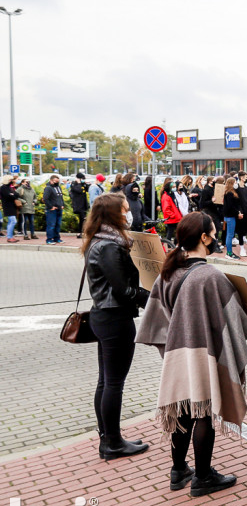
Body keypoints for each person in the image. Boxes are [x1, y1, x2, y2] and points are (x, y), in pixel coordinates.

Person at [136, 212, 247, 496]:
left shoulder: (167, 272)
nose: (215, 238)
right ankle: (203, 477)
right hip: (205, 352)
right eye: (213, 233)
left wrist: (173, 345)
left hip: (177, 354)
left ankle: (178, 472)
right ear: (204, 238)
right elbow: (234, 319)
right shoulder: (210, 276)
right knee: (204, 410)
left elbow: (157, 319)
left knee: (183, 408)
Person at [82, 193, 151, 460]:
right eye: (124, 209)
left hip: (104, 316)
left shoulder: (98, 240)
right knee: (113, 384)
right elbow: (123, 290)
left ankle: (109, 438)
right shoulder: (109, 246)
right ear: (113, 213)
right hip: (114, 318)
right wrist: (153, 299)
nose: (129, 212)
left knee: (106, 381)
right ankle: (112, 442)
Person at [221, 177, 243, 260]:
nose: (236, 183)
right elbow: (231, 206)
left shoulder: (228, 192)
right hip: (230, 217)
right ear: (231, 183)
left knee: (229, 235)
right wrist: (238, 213)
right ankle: (229, 253)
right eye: (235, 182)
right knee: (230, 235)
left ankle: (229, 252)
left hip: (229, 216)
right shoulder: (230, 193)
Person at [43, 174, 67, 244]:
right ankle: (49, 239)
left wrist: (62, 205)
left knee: (58, 225)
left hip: (59, 209)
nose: (56, 182)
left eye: (57, 181)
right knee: (51, 225)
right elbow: (45, 198)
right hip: (51, 210)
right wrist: (51, 207)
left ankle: (57, 238)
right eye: (55, 181)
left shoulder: (58, 187)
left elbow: (60, 197)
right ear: (51, 181)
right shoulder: (48, 188)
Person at [160, 177, 183, 243]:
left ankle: (173, 245)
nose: (175, 188)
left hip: (175, 217)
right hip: (172, 218)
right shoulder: (166, 196)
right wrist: (173, 215)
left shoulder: (172, 195)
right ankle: (168, 246)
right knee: (170, 233)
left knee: (177, 233)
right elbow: (166, 209)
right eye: (173, 187)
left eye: (175, 187)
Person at [1, 175, 20, 243]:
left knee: (11, 222)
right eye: (11, 180)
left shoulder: (9, 187)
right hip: (7, 207)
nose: (12, 181)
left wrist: (12, 194)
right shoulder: (3, 188)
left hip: (12, 207)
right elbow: (8, 196)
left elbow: (17, 195)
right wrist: (12, 195)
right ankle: (9, 237)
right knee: (13, 221)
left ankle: (10, 237)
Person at [70, 172, 89, 238]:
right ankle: (83, 232)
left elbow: (87, 190)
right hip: (78, 204)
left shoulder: (82, 184)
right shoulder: (74, 184)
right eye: (82, 178)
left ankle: (79, 232)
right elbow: (78, 190)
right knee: (84, 218)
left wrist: (85, 184)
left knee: (82, 219)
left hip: (83, 204)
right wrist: (79, 183)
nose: (83, 180)